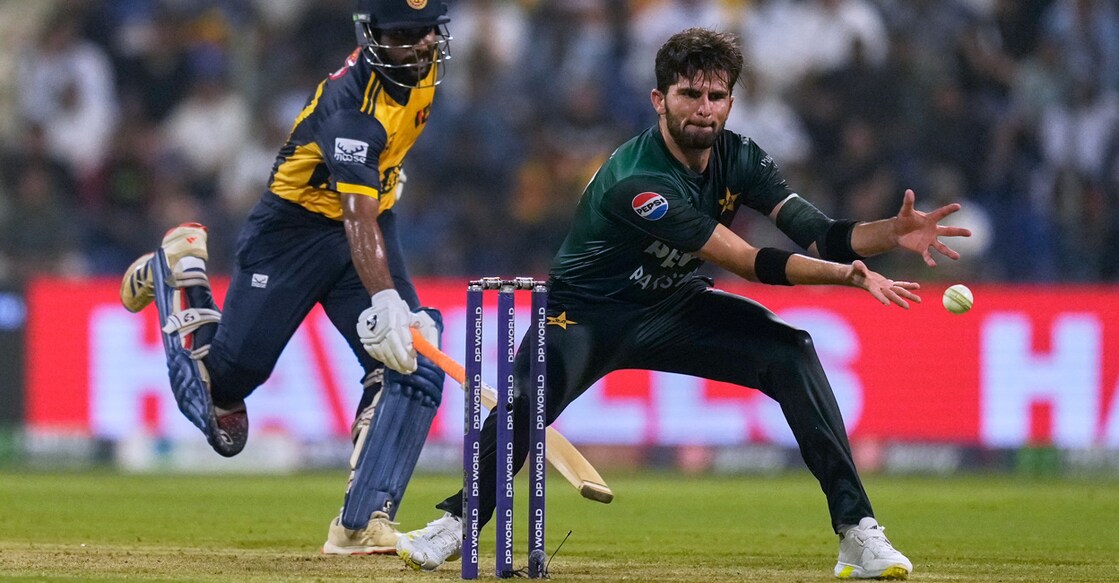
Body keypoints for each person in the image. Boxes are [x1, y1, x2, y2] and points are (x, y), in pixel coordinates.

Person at [395, 28, 971, 580]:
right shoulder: (640, 180)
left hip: (674, 306)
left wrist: (888, 234)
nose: (704, 108)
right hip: (588, 314)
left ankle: (857, 530)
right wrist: (845, 277)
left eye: (716, 95)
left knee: (791, 352)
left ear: (730, 101)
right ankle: (458, 521)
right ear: (659, 100)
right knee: (524, 402)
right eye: (689, 93)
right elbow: (749, 262)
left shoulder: (740, 157)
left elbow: (820, 231)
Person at [119, 0, 454, 557]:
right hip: (292, 234)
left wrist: (394, 304)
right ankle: (177, 267)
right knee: (224, 394)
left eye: (428, 32)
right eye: (406, 33)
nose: (422, 44)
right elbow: (356, 215)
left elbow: (374, 200)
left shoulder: (418, 78)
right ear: (374, 36)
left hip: (367, 223)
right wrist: (388, 298)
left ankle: (360, 524)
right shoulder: (353, 109)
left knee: (413, 362)